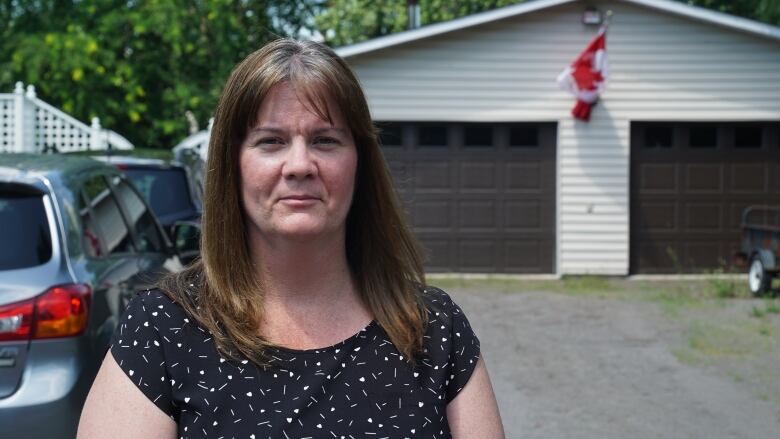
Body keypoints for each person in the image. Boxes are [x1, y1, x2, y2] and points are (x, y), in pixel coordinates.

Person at [78, 38, 504, 439]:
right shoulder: (164, 329)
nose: (300, 164)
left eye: (324, 140)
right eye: (271, 141)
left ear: (360, 164)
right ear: (233, 166)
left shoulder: (434, 329)